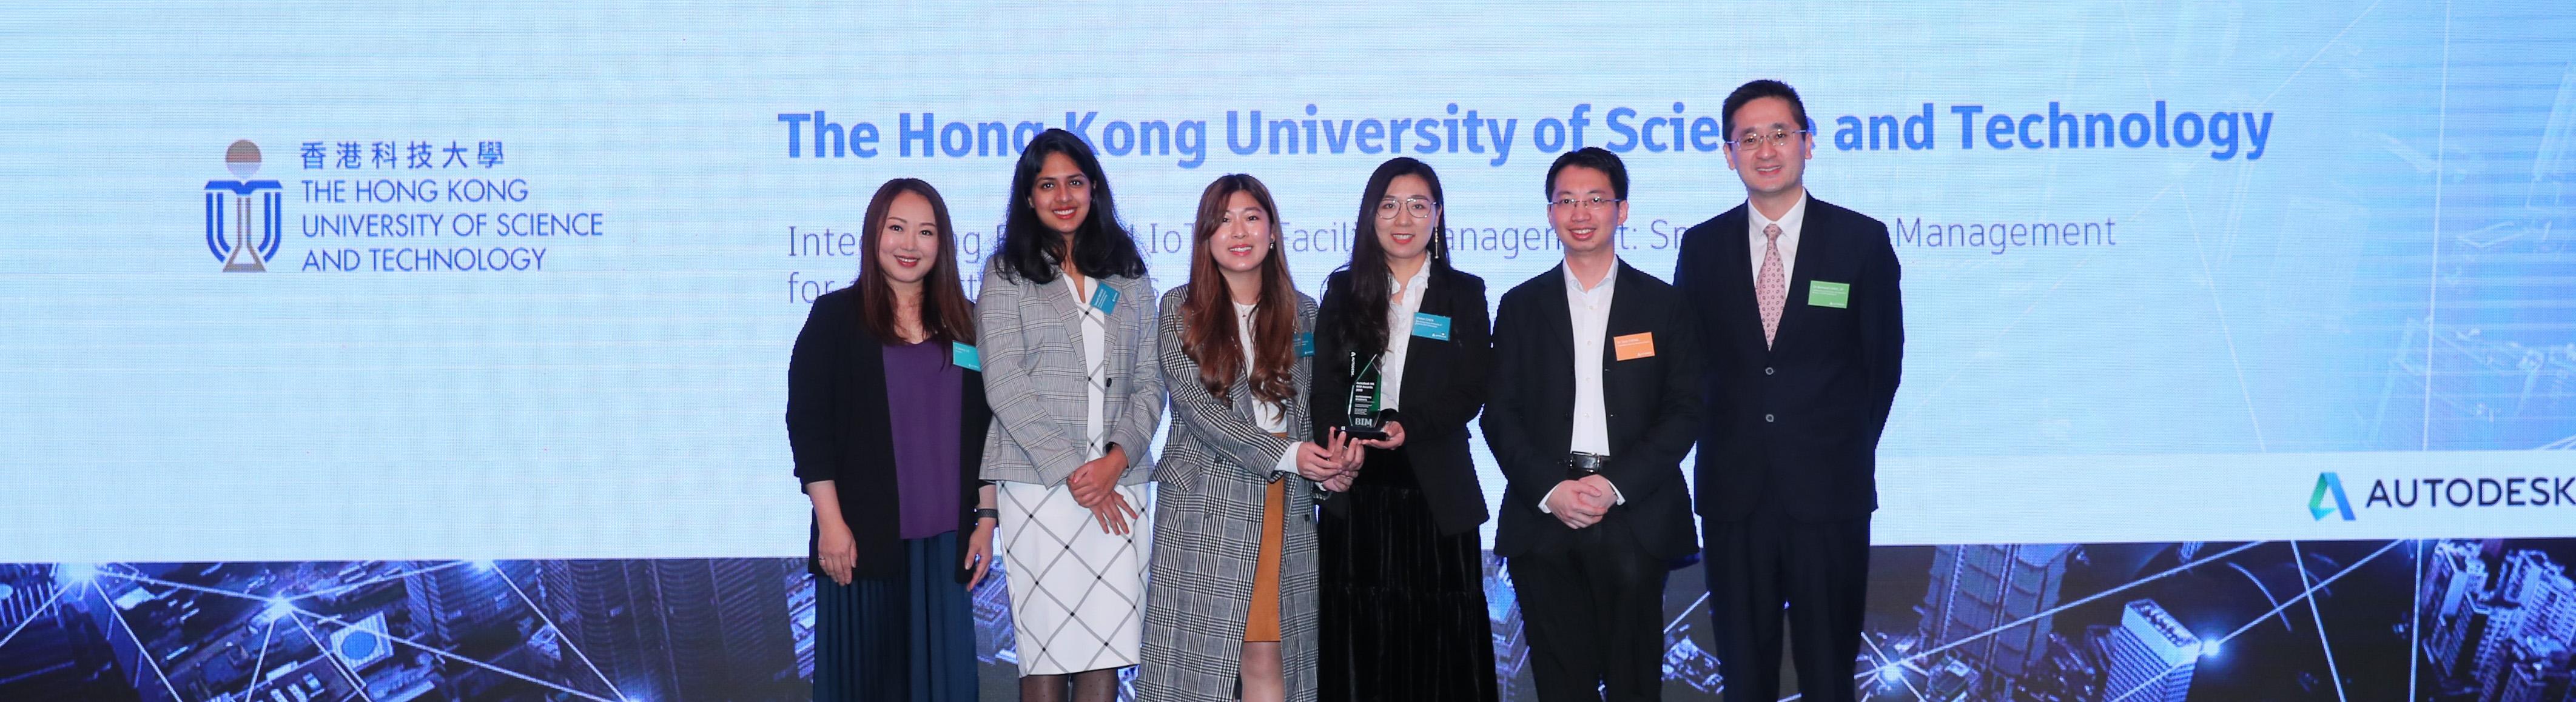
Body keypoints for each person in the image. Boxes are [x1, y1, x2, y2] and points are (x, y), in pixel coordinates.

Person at [1674, 79, 1905, 702]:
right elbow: (1688, 367)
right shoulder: (1701, 246)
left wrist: (1833, 445)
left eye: (1779, 133)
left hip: (1829, 493)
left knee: (1828, 673)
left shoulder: (1860, 241)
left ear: (1807, 142)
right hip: (1733, 492)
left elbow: (1881, 366)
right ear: (1728, 154)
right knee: (1744, 674)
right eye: (1747, 138)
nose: (1765, 149)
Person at [1485, 148, 1703, 701]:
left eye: (1595, 200)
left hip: (1635, 513)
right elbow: (1499, 412)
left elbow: (1685, 410)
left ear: (1622, 211)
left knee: (1634, 682)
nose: (1580, 213)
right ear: (1550, 213)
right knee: (1561, 685)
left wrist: (1613, 485)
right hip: (1544, 515)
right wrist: (1552, 489)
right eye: (1566, 201)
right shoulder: (1520, 305)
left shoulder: (1664, 305)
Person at [1138, 174, 1360, 702]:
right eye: (1223, 220)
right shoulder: (1178, 308)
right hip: (1206, 504)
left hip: (1288, 503)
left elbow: (1313, 409)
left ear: (1274, 231)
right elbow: (1196, 411)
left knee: (1273, 656)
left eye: (1252, 217)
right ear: (1205, 237)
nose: (1238, 231)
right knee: (1198, 669)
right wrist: (1290, 455)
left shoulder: (1305, 311)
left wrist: (1335, 469)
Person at [787, 178, 995, 702]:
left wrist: (986, 519)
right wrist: (830, 525)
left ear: (942, 244)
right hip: (861, 544)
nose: (910, 244)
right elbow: (808, 426)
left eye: (925, 232)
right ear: (873, 233)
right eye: (896, 228)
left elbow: (986, 430)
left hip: (944, 544)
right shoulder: (835, 318)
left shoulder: (965, 322)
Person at [978, 129, 1165, 702]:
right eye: (1047, 184)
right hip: (1039, 489)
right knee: (1044, 656)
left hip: (1120, 483)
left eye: (1075, 182)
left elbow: (1150, 381)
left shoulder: (1127, 274)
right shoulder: (1007, 273)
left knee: (1104, 656)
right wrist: (1075, 473)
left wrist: (1115, 460)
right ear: (1029, 197)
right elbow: (1005, 384)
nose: (1063, 196)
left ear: (1094, 188)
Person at [1309, 156, 1498, 701]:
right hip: (1356, 485)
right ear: (1370, 215)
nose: (1403, 218)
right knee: (1361, 642)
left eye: (1418, 205)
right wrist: (1337, 450)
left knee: (1438, 647)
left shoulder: (1463, 292)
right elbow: (1322, 387)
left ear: (1437, 216)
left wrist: (1407, 426)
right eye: (1389, 204)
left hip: (1435, 488)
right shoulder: (1343, 291)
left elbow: (1472, 388)